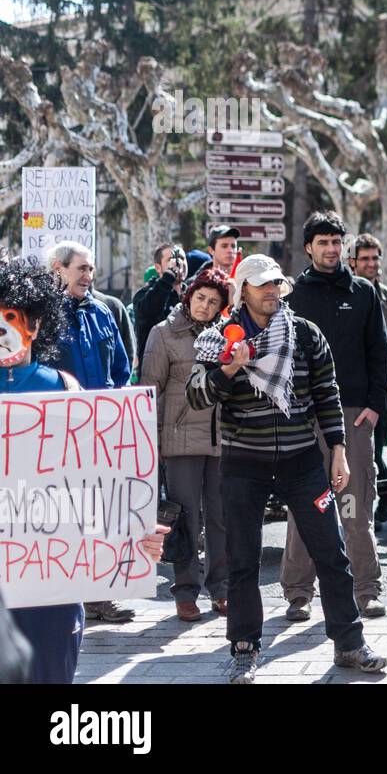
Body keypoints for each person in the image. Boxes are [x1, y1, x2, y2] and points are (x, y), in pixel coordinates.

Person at [186, 254, 387, 683]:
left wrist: (337, 449)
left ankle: (350, 644)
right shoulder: (219, 338)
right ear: (243, 289)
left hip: (302, 461)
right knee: (242, 559)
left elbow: (326, 392)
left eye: (276, 283)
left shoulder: (304, 333)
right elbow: (196, 396)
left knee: (331, 553)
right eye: (262, 284)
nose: (271, 291)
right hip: (243, 463)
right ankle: (244, 648)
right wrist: (229, 368)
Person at [1, 258, 166, 682]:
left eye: (10, 317)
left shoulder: (68, 391)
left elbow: (98, 484)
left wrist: (133, 534)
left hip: (50, 584)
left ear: (35, 324)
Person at [282, 211, 387, 620]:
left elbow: (379, 352)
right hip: (303, 418)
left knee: (354, 505)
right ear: (308, 247)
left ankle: (367, 589)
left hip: (354, 416)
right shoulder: (291, 294)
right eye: (322, 242)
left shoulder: (363, 291)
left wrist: (375, 407)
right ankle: (297, 593)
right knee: (304, 505)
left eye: (336, 242)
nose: (331, 249)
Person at [47, 241, 134, 623]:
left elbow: (121, 368)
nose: (89, 276)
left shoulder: (104, 312)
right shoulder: (41, 316)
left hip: (100, 432)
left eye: (91, 269)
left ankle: (100, 596)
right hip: (56, 433)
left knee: (100, 512)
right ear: (58, 269)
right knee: (63, 514)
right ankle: (63, 595)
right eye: (81, 268)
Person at [140, 267, 231, 622]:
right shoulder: (163, 334)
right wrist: (153, 440)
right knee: (186, 520)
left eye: (213, 302)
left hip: (221, 440)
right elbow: (150, 389)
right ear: (189, 295)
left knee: (222, 518)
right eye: (200, 297)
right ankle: (185, 591)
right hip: (179, 441)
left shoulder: (226, 336)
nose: (205, 306)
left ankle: (221, 589)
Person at [347, 233, 387, 525]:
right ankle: (372, 503)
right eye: (365, 259)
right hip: (354, 387)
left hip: (381, 386)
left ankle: (386, 497)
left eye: (374, 258)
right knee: (361, 450)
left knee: (378, 446)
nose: (371, 264)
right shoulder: (348, 293)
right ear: (353, 262)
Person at [132, 242, 187, 366]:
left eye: (182, 259)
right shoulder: (145, 294)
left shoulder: (193, 295)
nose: (179, 263)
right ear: (158, 268)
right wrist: (168, 278)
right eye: (171, 259)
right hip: (155, 368)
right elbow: (148, 312)